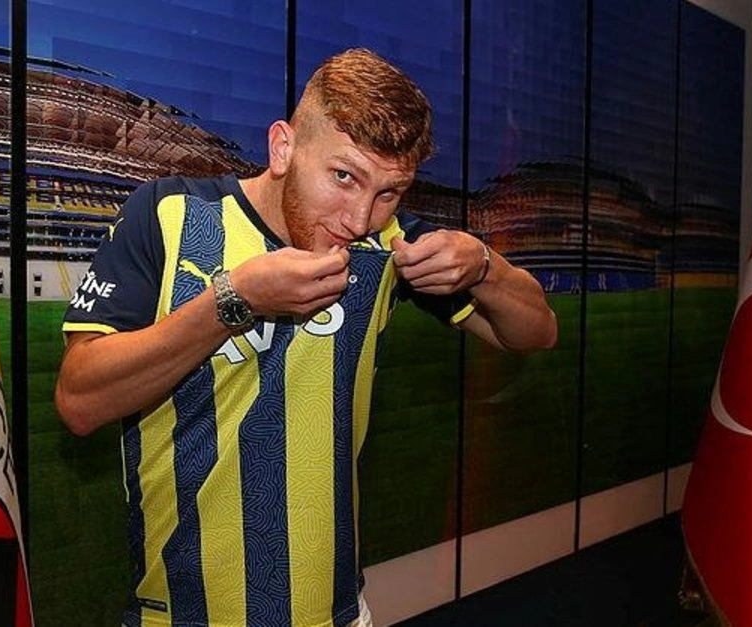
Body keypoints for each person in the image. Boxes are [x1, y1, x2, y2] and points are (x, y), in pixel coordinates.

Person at [55, 48, 558, 627]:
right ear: (283, 148)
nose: (359, 218)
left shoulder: (388, 245)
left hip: (338, 613)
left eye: (389, 192)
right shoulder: (170, 215)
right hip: (186, 615)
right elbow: (80, 399)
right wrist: (234, 300)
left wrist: (486, 266)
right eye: (344, 177)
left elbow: (534, 332)